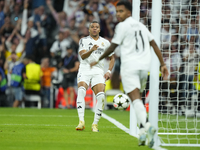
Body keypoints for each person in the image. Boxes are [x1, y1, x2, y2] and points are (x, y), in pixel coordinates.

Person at [90, 1, 169, 148]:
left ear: (128, 13)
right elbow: (154, 44)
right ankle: (143, 135)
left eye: (121, 11)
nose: (118, 14)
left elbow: (113, 46)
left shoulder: (121, 26)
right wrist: (162, 64)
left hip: (130, 67)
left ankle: (147, 126)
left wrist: (98, 59)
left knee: (135, 99)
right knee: (137, 98)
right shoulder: (141, 26)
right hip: (144, 67)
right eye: (117, 11)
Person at [76, 21, 115, 132]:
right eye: (92, 27)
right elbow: (83, 56)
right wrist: (91, 50)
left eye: (96, 27)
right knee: (81, 91)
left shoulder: (105, 42)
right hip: (85, 68)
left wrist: (109, 71)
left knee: (101, 97)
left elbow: (112, 58)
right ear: (89, 29)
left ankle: (95, 124)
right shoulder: (84, 40)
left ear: (99, 30)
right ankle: (81, 121)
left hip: (98, 70)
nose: (94, 28)